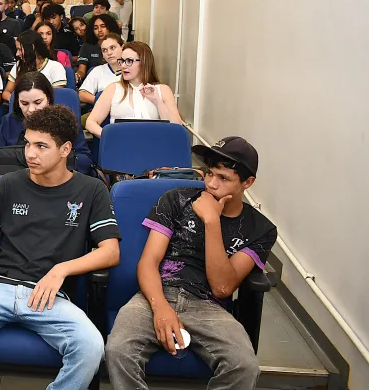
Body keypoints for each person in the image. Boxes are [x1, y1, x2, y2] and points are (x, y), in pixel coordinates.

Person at [0, 105, 120, 390]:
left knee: (91, 346)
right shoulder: (8, 184)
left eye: (41, 146)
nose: (30, 153)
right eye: (27, 144)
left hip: (49, 295)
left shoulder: (91, 189)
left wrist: (62, 270)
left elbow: (110, 251)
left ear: (65, 150)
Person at [106, 137, 275, 390]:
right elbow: (148, 262)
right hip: (158, 292)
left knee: (244, 366)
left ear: (247, 183)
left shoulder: (261, 229)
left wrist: (212, 221)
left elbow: (222, 288)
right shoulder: (176, 199)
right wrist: (160, 307)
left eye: (223, 178)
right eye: (209, 174)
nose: (211, 184)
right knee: (119, 350)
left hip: (209, 305)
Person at [0, 72, 91, 175]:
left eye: (38, 102)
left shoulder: (65, 121)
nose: (31, 110)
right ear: (18, 102)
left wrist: (54, 162)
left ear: (48, 99)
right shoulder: (8, 122)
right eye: (24, 103)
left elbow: (84, 160)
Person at [86, 42, 184, 137]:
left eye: (129, 61)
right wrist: (109, 137)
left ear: (144, 63)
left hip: (154, 146)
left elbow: (177, 128)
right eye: (122, 61)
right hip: (122, 146)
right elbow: (90, 122)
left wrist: (158, 102)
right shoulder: (113, 89)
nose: (123, 66)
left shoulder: (162, 89)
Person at [2, 31, 67, 102]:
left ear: (32, 47)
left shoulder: (55, 67)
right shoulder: (19, 65)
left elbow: (55, 97)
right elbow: (6, 92)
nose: (17, 54)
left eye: (20, 49)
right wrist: (19, 101)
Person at [79, 33, 123, 107]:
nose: (109, 53)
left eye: (112, 48)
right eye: (104, 50)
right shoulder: (97, 70)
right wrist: (102, 102)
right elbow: (82, 94)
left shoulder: (133, 69)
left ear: (123, 48)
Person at [76, 13, 118, 83]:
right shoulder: (86, 46)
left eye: (103, 26)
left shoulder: (120, 45)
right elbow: (82, 70)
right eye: (95, 28)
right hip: (95, 82)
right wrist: (77, 76)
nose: (99, 30)